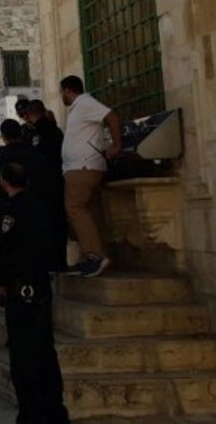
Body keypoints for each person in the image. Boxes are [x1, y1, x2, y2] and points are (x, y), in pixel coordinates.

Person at [0, 162, 70, 423]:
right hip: (41, 284)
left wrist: (0, 281)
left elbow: (5, 249)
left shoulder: (11, 210)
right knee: (45, 349)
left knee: (23, 353)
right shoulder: (42, 207)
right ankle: (55, 410)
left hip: (20, 289)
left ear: (4, 182)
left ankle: (31, 413)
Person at [60, 75, 122, 278]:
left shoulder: (85, 103)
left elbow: (111, 116)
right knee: (89, 211)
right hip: (79, 168)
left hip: (84, 167)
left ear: (68, 90)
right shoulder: (78, 108)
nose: (62, 96)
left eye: (62, 92)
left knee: (74, 207)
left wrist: (116, 144)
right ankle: (90, 256)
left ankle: (95, 255)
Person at [0, 119, 58, 237]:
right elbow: (49, 185)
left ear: (4, 137)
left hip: (7, 214)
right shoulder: (36, 155)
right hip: (36, 213)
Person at [25, 99, 68, 270]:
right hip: (58, 182)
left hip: (40, 187)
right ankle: (60, 261)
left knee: (44, 226)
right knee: (58, 222)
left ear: (29, 115)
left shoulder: (34, 134)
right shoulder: (55, 131)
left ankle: (49, 263)